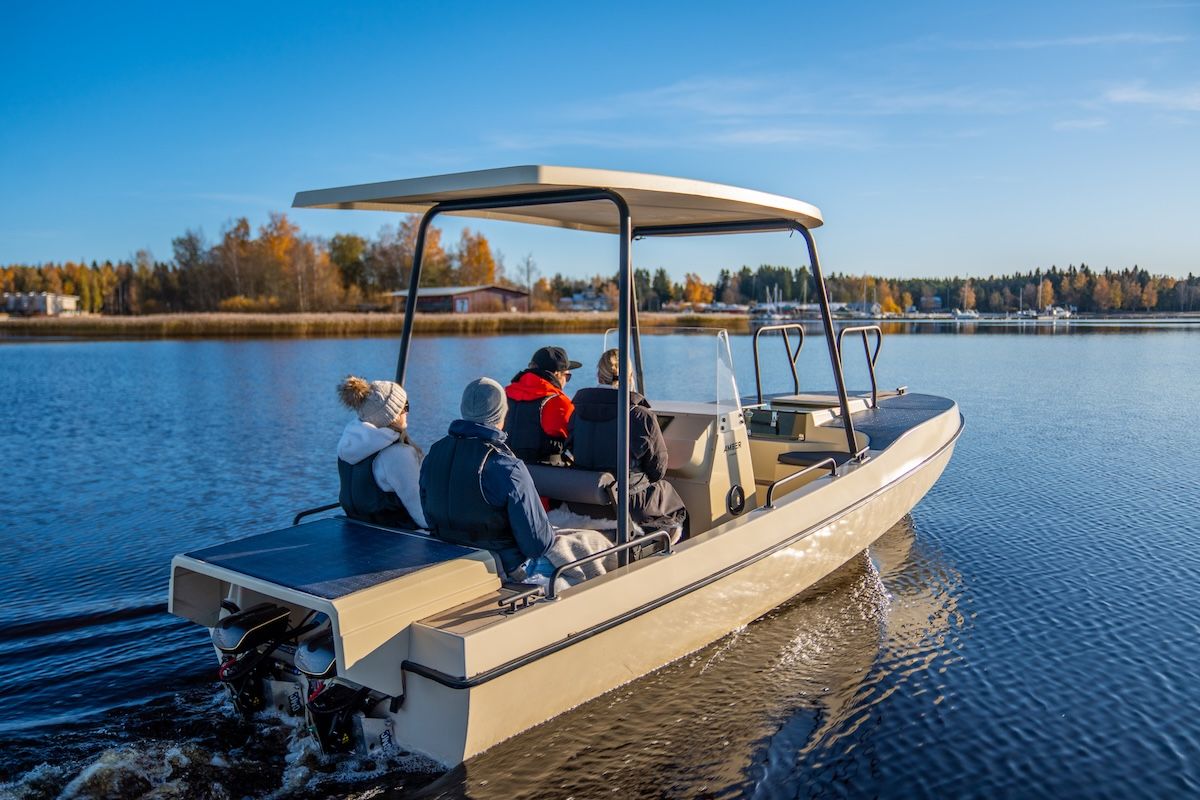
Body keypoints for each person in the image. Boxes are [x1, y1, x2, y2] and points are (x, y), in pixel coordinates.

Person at [420, 377, 558, 581]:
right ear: (501, 413)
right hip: (503, 568)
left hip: (447, 558)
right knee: (586, 550)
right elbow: (537, 544)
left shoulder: (434, 453)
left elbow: (428, 515)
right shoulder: (507, 466)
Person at [568, 349, 688, 536]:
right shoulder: (640, 415)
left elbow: (572, 447)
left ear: (599, 376)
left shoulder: (576, 412)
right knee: (671, 500)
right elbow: (658, 469)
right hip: (627, 503)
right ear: (630, 377)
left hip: (585, 501)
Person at [336, 376, 427, 529]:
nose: (407, 412)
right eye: (405, 406)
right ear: (391, 415)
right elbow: (422, 515)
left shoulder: (346, 445)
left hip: (355, 532)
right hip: (397, 542)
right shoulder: (398, 454)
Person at [503, 345, 581, 465]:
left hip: (506, 470)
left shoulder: (503, 395)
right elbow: (578, 445)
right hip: (546, 477)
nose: (566, 381)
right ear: (557, 374)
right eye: (567, 376)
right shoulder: (559, 402)